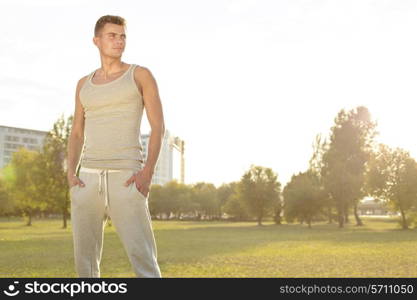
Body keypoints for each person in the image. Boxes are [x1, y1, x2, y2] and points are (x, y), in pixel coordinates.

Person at [66, 15, 165, 278]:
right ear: (96, 41)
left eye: (122, 36)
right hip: (87, 180)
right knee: (84, 266)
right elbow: (76, 133)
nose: (119, 41)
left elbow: (158, 127)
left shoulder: (140, 75)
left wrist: (147, 172)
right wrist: (70, 173)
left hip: (126, 179)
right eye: (112, 35)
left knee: (144, 262)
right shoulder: (82, 84)